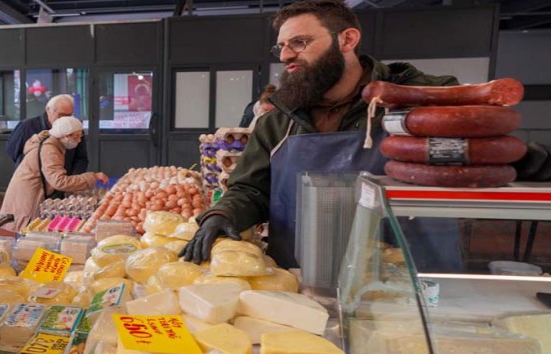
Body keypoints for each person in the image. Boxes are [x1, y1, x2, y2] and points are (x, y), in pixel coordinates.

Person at [182, 0, 460, 271]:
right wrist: (223, 213)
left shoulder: (419, 100)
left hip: (404, 277)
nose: (285, 56)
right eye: (281, 46)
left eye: (299, 43)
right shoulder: (279, 120)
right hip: (302, 278)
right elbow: (251, 189)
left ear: (347, 40)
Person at [0, 116, 108, 232]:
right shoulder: (50, 149)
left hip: (28, 191)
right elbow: (59, 182)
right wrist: (92, 177)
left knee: (29, 233)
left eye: (80, 136)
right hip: (29, 196)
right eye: (76, 136)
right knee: (27, 234)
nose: (79, 140)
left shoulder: (52, 143)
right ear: (65, 136)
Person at [5, 94, 89, 178]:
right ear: (48, 110)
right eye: (61, 115)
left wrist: (73, 179)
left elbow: (81, 158)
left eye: (69, 115)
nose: (65, 119)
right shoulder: (27, 126)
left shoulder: (75, 127)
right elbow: (12, 151)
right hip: (33, 181)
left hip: (63, 181)